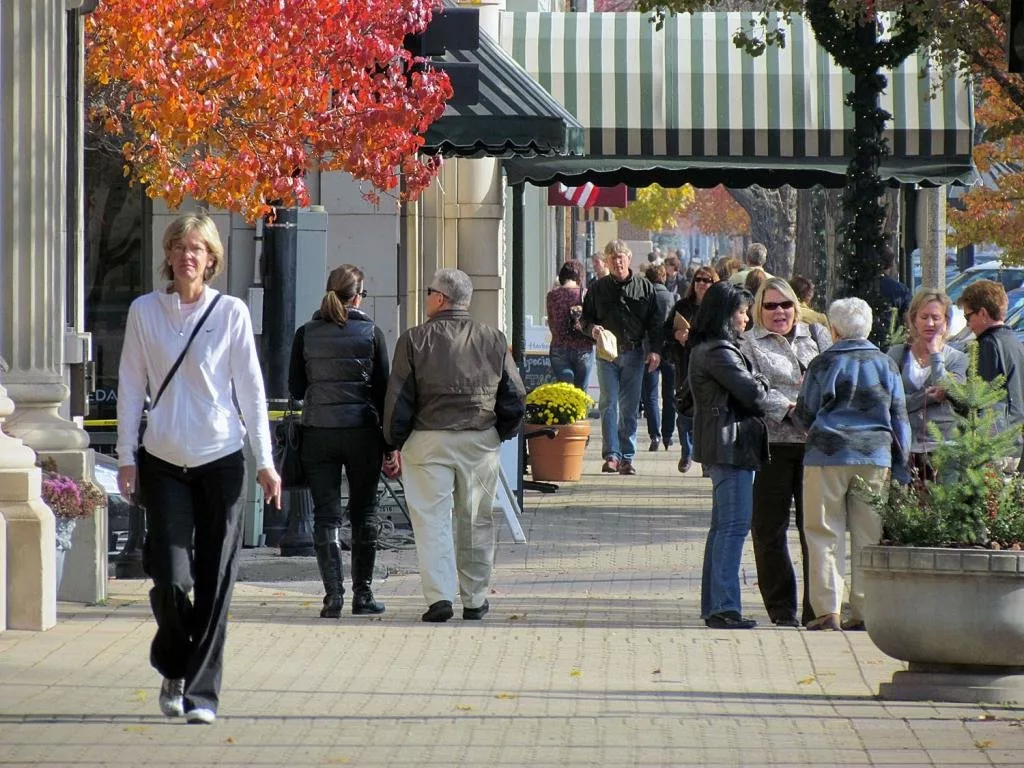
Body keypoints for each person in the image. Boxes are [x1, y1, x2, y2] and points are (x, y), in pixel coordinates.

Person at [116, 213, 281, 725]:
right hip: (163, 459)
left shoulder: (228, 313)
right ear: (168, 254)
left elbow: (251, 390)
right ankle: (174, 663)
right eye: (181, 247)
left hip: (221, 458)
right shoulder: (145, 311)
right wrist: (125, 455)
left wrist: (266, 460)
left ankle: (201, 694)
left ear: (211, 259)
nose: (189, 256)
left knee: (215, 577)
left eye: (199, 249)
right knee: (168, 574)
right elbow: (129, 383)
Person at [383, 268, 526, 623]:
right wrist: (500, 432)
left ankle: (439, 597)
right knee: (476, 519)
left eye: (429, 290)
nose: (426, 295)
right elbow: (515, 395)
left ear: (440, 298)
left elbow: (398, 399)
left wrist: (392, 442)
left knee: (431, 520)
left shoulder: (414, 340)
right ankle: (475, 599)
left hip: (428, 439)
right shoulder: (493, 339)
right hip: (479, 439)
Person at [795, 298, 911, 632]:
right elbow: (899, 417)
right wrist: (901, 462)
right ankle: (864, 608)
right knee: (868, 534)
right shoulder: (885, 364)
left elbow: (804, 415)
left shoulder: (821, 364)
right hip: (874, 455)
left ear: (834, 330)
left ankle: (828, 609)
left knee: (822, 532)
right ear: (869, 326)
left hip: (826, 456)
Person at [288, 265, 394, 620]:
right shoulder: (371, 333)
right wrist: (391, 446)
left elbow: (296, 388)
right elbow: (383, 392)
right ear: (359, 294)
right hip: (362, 433)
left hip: (319, 432)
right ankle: (363, 594)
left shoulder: (306, 334)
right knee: (364, 512)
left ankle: (332, 596)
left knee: (326, 516)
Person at [739, 278, 832, 628]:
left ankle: (817, 608)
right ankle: (781, 608)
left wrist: (814, 408)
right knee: (768, 529)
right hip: (773, 443)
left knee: (815, 529)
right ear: (759, 309)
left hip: (816, 444)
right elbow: (752, 387)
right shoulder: (748, 344)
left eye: (786, 305)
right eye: (771, 306)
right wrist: (790, 408)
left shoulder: (817, 335)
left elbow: (832, 375)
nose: (780, 312)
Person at [689, 281, 770, 630]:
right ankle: (724, 606)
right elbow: (753, 394)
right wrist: (763, 380)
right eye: (740, 312)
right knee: (734, 528)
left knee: (722, 528)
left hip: (724, 443)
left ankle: (716, 604)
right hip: (731, 445)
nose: (746, 319)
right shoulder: (719, 352)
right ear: (725, 314)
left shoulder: (708, 348)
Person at [581, 239, 664, 475]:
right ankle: (611, 455)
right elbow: (585, 319)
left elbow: (655, 323)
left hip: (634, 353)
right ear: (606, 261)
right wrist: (592, 330)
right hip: (607, 355)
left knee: (629, 408)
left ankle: (627, 456)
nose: (618, 261)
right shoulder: (598, 288)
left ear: (629, 259)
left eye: (621, 257)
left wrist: (655, 350)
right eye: (613, 258)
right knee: (608, 403)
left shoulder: (644, 287)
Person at [887, 289, 967, 481]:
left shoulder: (958, 358)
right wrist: (927, 397)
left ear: (946, 321)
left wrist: (935, 354)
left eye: (936, 317)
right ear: (914, 320)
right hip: (905, 449)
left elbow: (952, 392)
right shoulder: (897, 354)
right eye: (924, 317)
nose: (930, 323)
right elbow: (891, 402)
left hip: (945, 450)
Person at [957, 279, 1024, 470]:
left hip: (992, 444)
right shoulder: (1015, 343)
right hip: (1014, 442)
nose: (968, 324)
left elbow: (977, 396)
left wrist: (948, 393)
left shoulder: (987, 345)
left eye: (968, 316)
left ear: (983, 313)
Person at [664, 265, 719, 473]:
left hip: (709, 367)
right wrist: (676, 336)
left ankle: (704, 458)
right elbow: (666, 330)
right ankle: (686, 451)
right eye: (698, 280)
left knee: (705, 414)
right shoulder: (683, 305)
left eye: (707, 280)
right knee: (685, 412)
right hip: (685, 364)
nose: (702, 284)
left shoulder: (717, 308)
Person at [640, 264, 678, 452]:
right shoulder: (672, 297)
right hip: (670, 352)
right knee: (669, 394)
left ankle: (654, 435)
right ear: (663, 277)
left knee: (651, 395)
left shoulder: (644, 297)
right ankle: (668, 435)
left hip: (649, 350)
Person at [545, 259, 595, 390]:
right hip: (583, 348)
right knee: (581, 392)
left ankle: (566, 411)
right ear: (580, 277)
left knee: (566, 392)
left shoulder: (552, 296)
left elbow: (551, 323)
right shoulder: (585, 294)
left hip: (559, 348)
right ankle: (581, 411)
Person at [876, 246, 912, 342]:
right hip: (892, 342)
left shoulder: (862, 286)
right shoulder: (901, 290)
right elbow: (909, 323)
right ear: (891, 264)